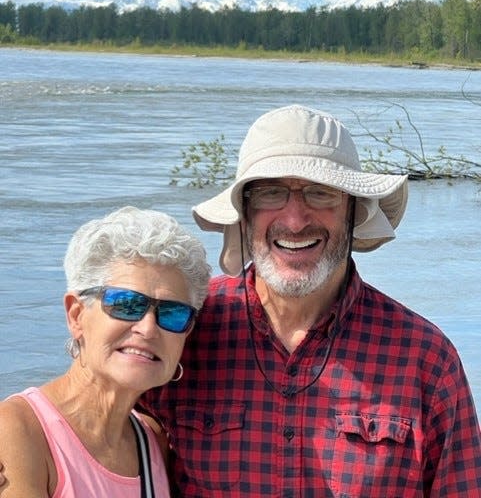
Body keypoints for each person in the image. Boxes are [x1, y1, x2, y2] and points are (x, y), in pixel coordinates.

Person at [142, 104, 481, 497]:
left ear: (354, 210)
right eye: (271, 192)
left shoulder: (425, 359)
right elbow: (96, 440)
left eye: (321, 193)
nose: (295, 220)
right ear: (245, 213)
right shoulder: (182, 326)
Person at [0, 206, 210, 497]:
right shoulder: (17, 431)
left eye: (173, 313)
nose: (148, 328)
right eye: (126, 304)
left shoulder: (153, 443)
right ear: (76, 315)